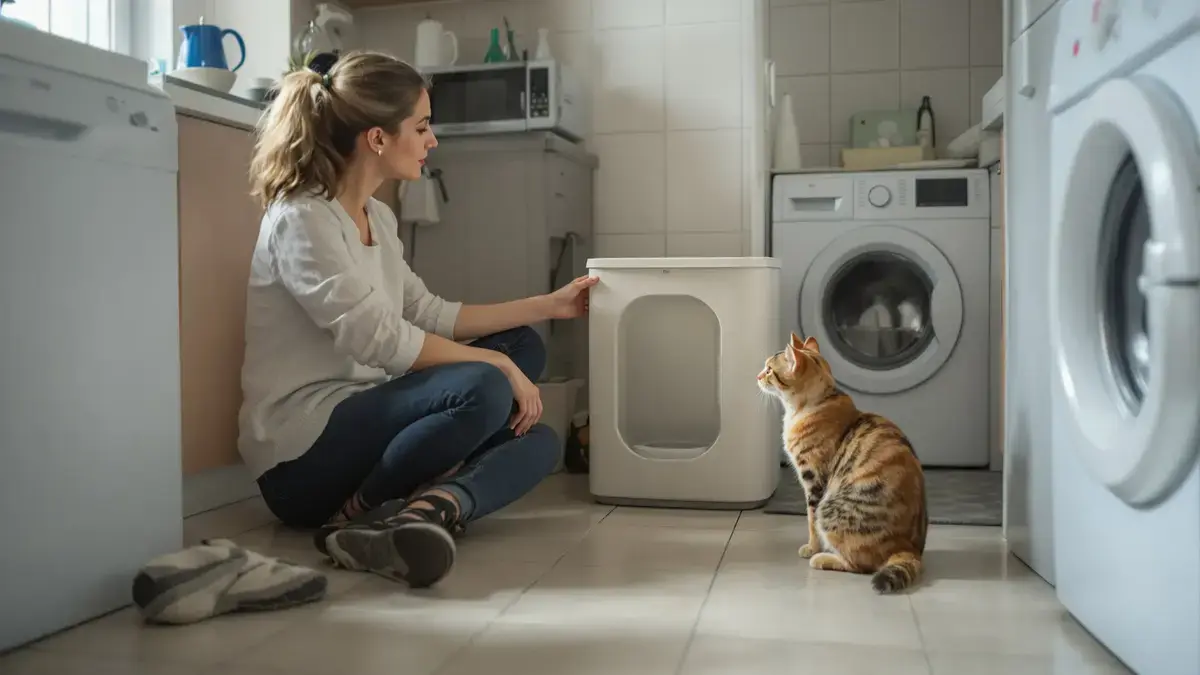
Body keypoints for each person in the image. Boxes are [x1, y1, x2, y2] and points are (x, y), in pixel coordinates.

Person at [239, 50, 598, 589]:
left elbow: (427, 314)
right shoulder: (301, 217)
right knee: (486, 381)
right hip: (303, 459)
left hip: (366, 420)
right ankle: (359, 509)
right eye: (423, 126)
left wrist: (550, 305)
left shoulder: (378, 217)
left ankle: (424, 512)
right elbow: (377, 339)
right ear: (377, 138)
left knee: (536, 423)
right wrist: (493, 363)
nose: (433, 141)